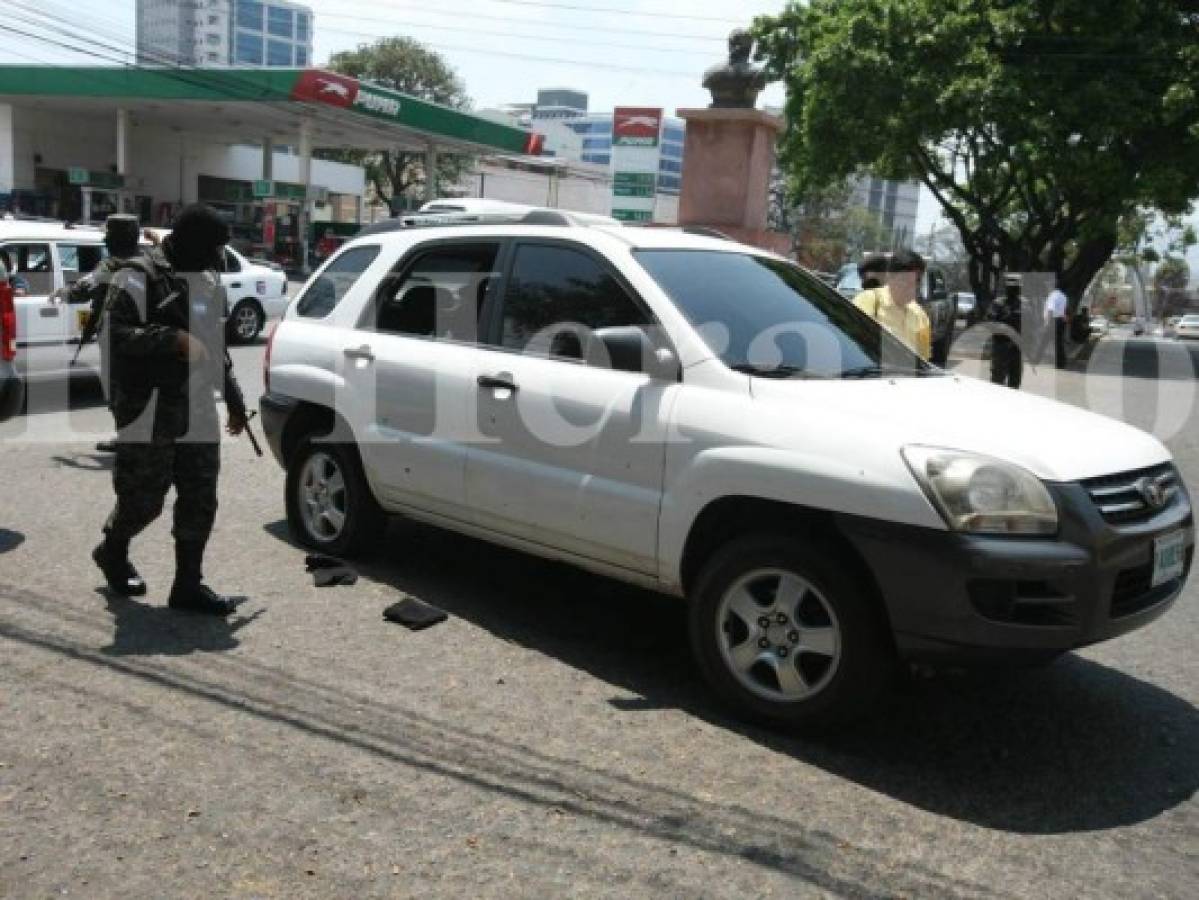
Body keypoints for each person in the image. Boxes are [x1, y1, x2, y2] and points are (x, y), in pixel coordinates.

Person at [92, 204, 248, 615]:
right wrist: (171, 340)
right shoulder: (138, 275)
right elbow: (113, 333)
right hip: (148, 404)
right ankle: (112, 550)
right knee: (143, 498)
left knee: (200, 495)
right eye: (213, 248)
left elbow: (216, 348)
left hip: (196, 405)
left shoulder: (210, 281)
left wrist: (233, 399)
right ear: (192, 242)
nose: (217, 258)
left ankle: (188, 585)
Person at [58, 214, 142, 454]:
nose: (105, 239)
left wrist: (63, 293)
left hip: (118, 341)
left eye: (109, 234)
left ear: (117, 237)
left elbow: (85, 288)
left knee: (118, 391)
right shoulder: (149, 260)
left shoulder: (112, 264)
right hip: (146, 340)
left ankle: (128, 438)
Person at [852, 249, 932, 360]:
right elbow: (853, 344)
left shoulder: (921, 316)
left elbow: (924, 359)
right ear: (890, 277)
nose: (912, 286)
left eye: (917, 281)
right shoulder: (868, 301)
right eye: (905, 280)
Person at [988, 275, 1027, 389]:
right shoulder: (998, 304)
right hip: (1001, 346)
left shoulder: (1024, 304)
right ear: (1006, 288)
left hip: (1017, 347)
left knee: (1015, 380)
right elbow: (990, 323)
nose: (1014, 290)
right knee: (997, 380)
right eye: (1011, 287)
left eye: (1016, 287)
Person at [1038, 278, 1069, 368]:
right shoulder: (1063, 296)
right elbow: (1063, 311)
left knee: (1044, 341)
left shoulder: (1052, 296)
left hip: (1053, 321)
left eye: (1048, 285)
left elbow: (1050, 310)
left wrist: (1047, 322)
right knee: (1058, 342)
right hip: (1061, 321)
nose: (1047, 287)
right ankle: (1061, 363)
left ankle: (1036, 359)